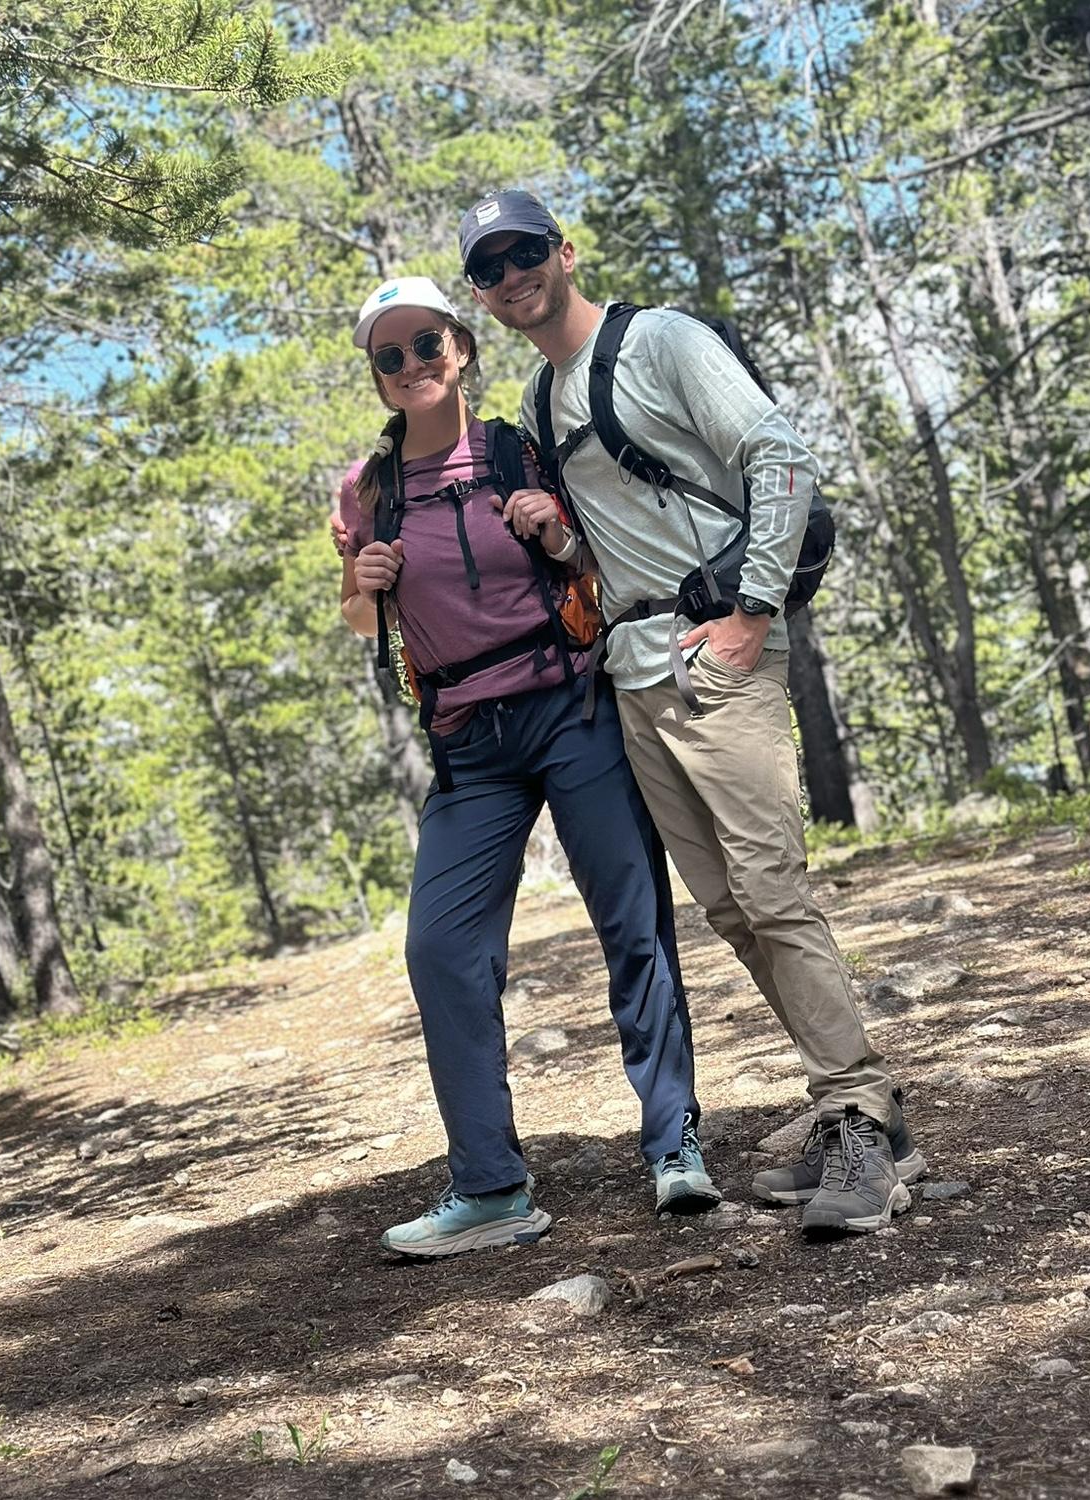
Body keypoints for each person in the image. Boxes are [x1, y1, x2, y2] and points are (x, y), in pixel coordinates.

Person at [458, 191, 928, 1238]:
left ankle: (854, 1113)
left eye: (526, 252)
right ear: (481, 297)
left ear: (564, 253)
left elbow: (781, 455)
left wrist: (754, 615)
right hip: (635, 672)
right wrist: (560, 538)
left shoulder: (658, 340)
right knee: (726, 905)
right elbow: (622, 543)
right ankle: (866, 1112)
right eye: (489, 268)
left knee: (771, 886)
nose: (512, 275)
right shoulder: (542, 399)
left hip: (718, 652)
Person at [337, 274, 719, 1258]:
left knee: (632, 918)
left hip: (570, 706)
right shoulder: (367, 489)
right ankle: (491, 1188)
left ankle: (675, 1141)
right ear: (378, 379)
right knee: (439, 949)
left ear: (462, 348)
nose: (414, 365)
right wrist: (364, 584)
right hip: (468, 745)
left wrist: (553, 527)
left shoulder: (522, 443)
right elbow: (359, 618)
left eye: (428, 345)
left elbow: (595, 555)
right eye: (392, 356)